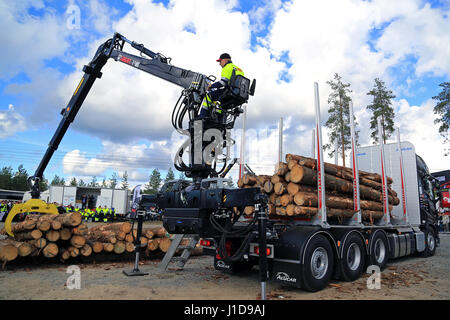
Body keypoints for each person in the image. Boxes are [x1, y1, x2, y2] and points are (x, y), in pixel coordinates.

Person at [199, 53, 244, 119]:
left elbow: (223, 83)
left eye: (220, 61)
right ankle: (219, 119)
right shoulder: (239, 69)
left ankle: (202, 118)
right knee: (219, 100)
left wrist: (211, 86)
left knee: (208, 96)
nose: (219, 63)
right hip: (239, 94)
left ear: (225, 60)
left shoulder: (227, 67)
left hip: (231, 92)